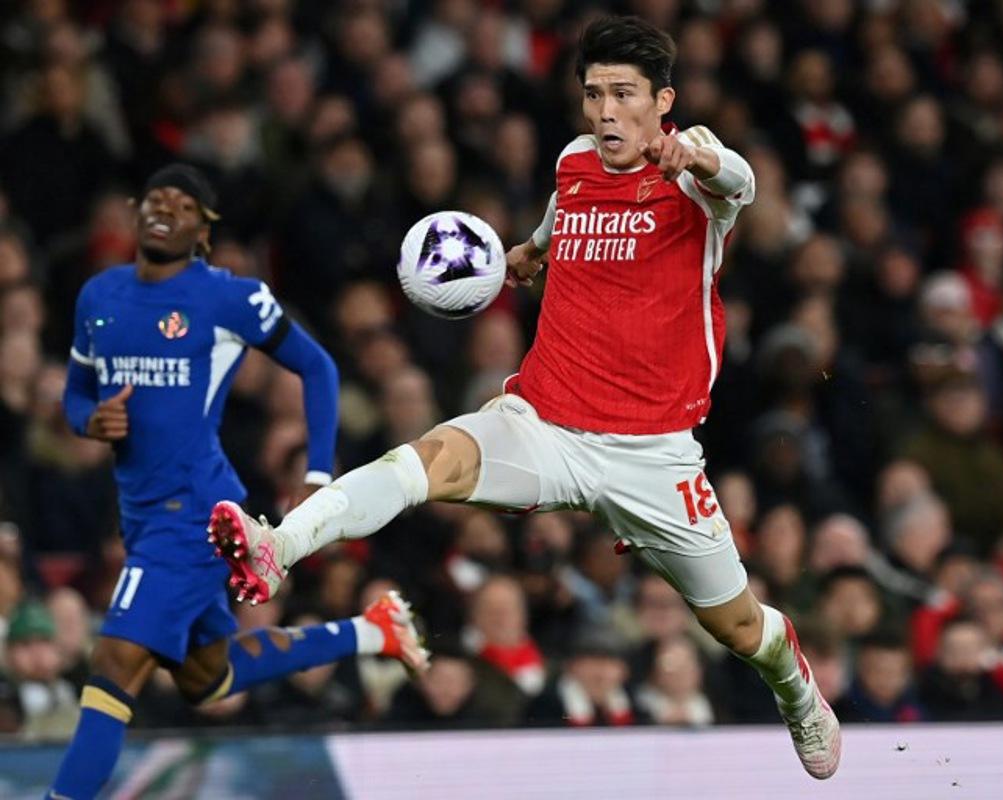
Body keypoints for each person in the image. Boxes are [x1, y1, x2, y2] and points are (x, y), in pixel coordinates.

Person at [210, 17, 840, 778]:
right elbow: (561, 214)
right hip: (545, 421)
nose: (605, 111)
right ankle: (280, 545)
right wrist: (530, 252)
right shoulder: (576, 161)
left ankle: (795, 687)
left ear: (661, 100)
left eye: (623, 95)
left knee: (738, 628)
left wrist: (696, 153)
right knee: (424, 461)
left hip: (652, 454)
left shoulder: (695, 174)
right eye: (593, 94)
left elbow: (739, 179)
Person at [49, 164, 429, 800]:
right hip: (140, 512)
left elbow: (318, 368)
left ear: (204, 230)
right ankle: (373, 630)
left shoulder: (230, 298)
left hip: (195, 514)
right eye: (155, 197)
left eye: (184, 203)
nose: (165, 207)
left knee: (113, 666)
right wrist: (91, 418)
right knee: (207, 680)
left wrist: (317, 473)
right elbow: (75, 393)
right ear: (136, 210)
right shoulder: (100, 296)